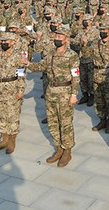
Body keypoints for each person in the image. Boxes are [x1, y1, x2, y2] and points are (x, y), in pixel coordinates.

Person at [28, 27, 80, 167]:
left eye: (60, 37)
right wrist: (26, 64)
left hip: (65, 92)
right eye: (56, 36)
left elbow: (76, 76)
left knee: (66, 123)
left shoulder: (72, 55)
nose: (57, 39)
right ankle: (58, 148)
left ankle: (67, 151)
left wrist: (74, 94)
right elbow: (41, 66)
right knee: (52, 122)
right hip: (51, 91)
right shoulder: (50, 53)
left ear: (66, 39)